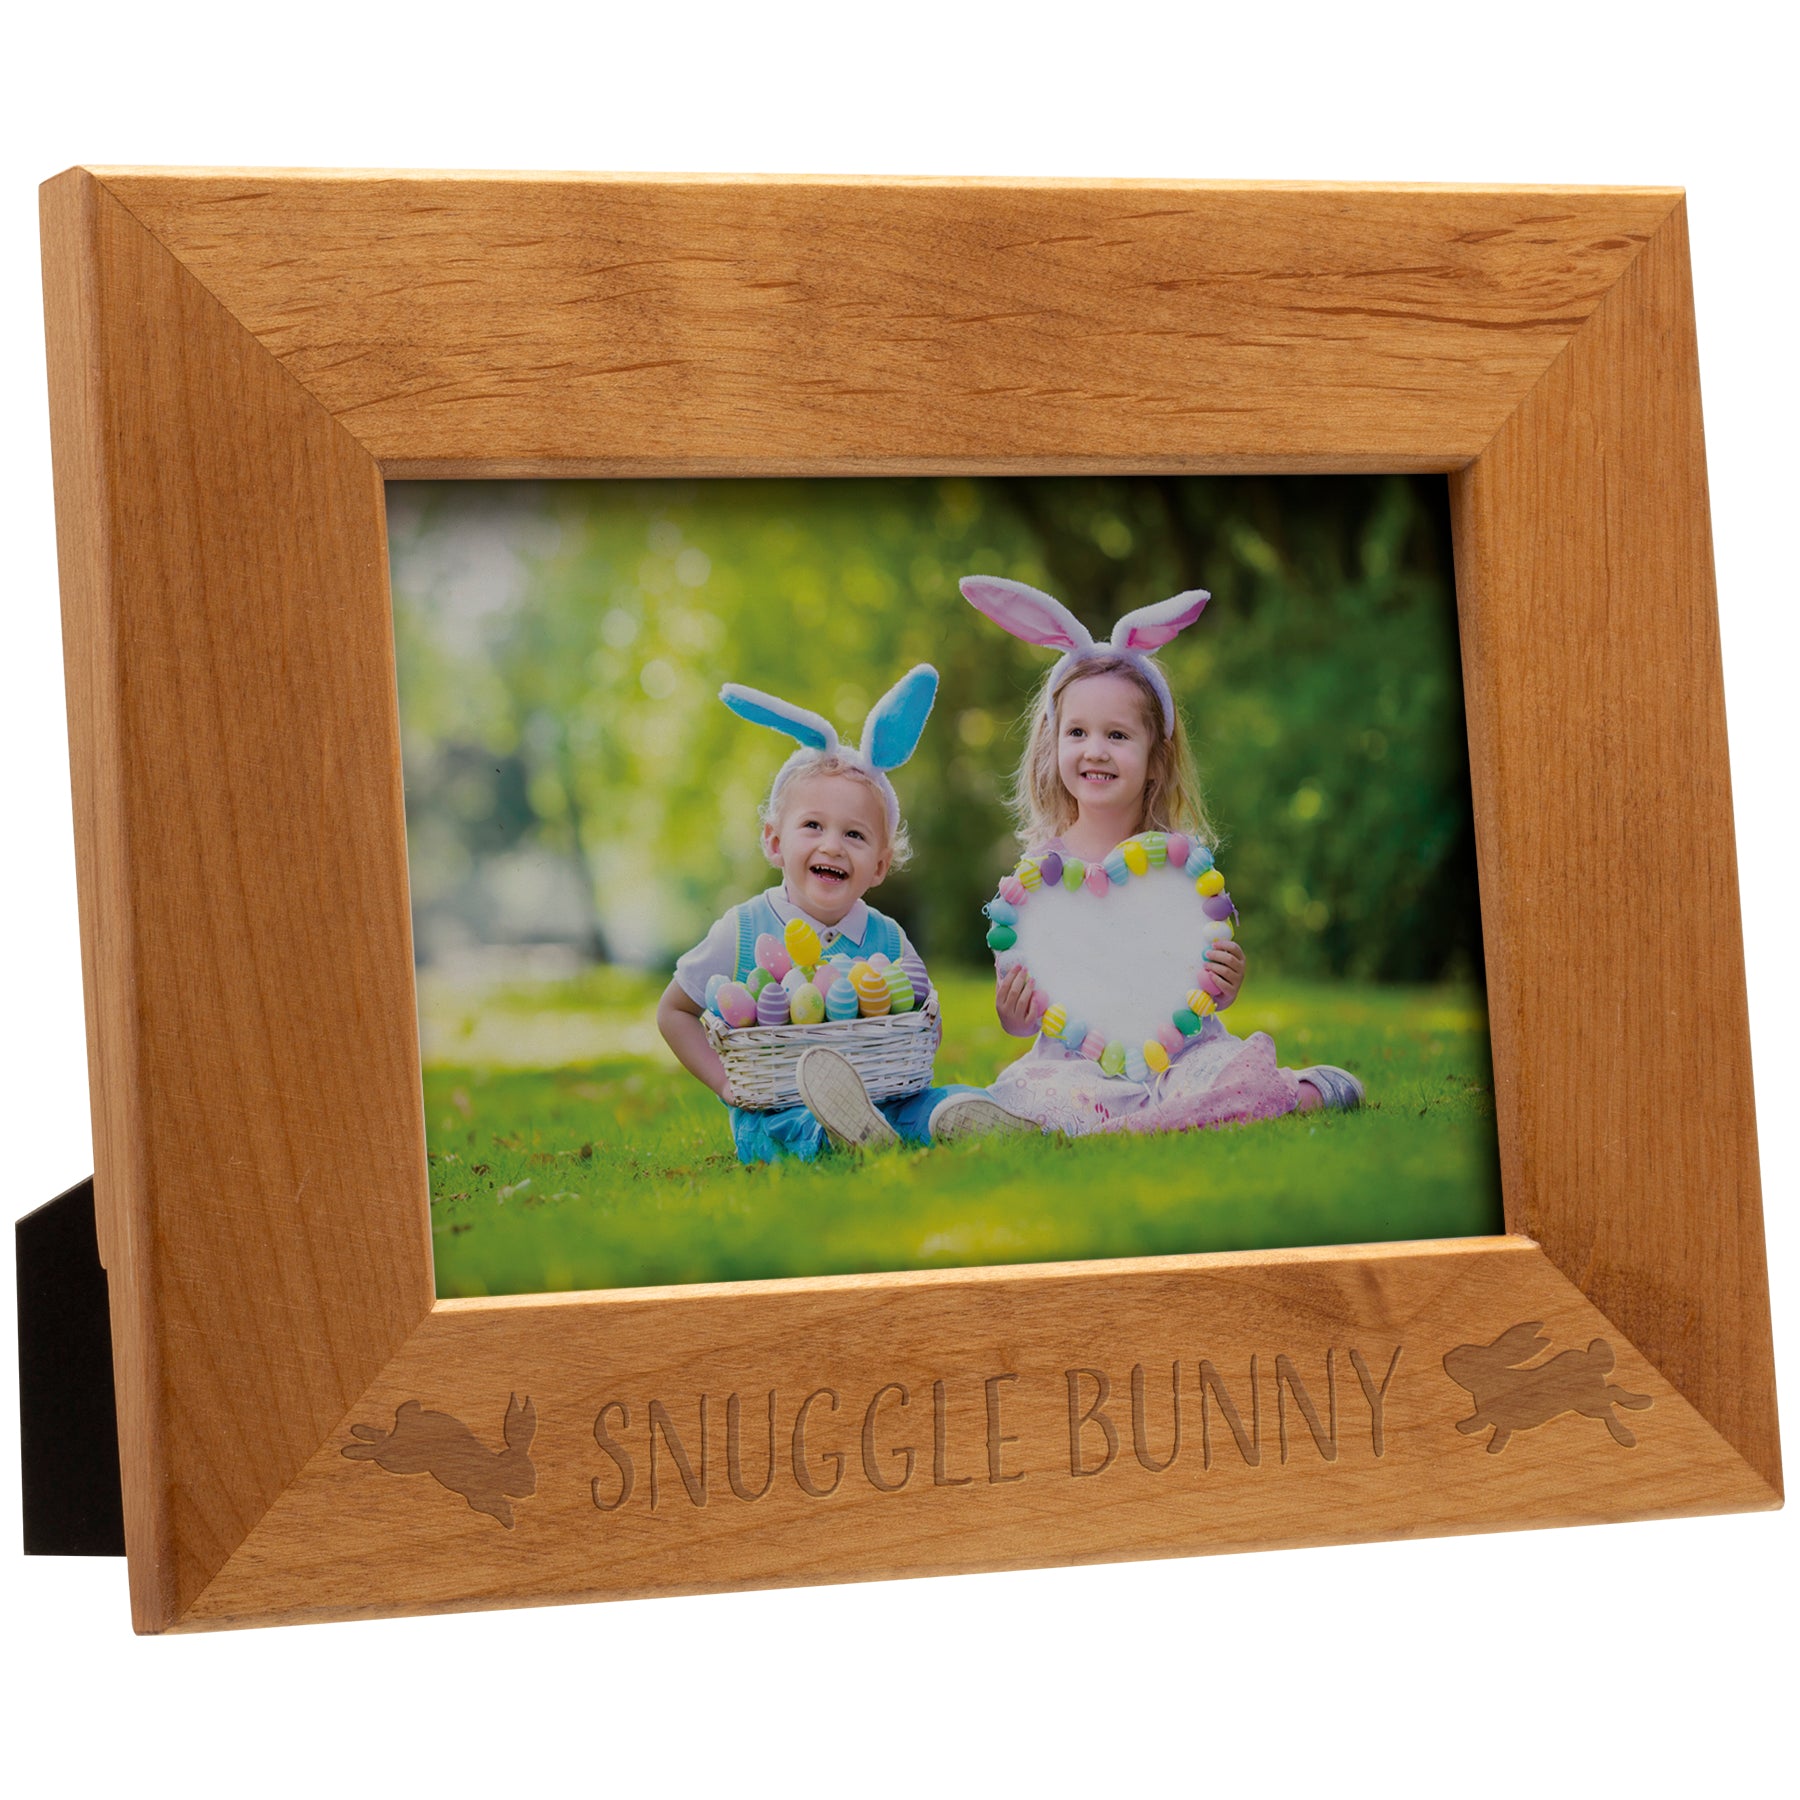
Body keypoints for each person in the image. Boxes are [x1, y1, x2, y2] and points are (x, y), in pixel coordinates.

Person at [959, 574, 1364, 1137]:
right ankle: (1160, 1119)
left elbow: (1201, 982)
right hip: (1079, 1068)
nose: (1094, 750)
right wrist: (1013, 1012)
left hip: (1181, 1058)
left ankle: (1286, 1092)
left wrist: (1227, 981)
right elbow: (1022, 1019)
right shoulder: (1035, 883)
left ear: (1155, 758)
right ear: (1053, 747)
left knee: (1223, 1073)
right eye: (1077, 732)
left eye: (1118, 735)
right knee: (1029, 1095)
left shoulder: (1180, 869)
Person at [657, 664, 1031, 1161]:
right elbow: (673, 1011)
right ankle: (834, 1136)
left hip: (885, 1096)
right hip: (779, 1107)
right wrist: (726, 1082)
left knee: (921, 1104)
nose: (832, 846)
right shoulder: (744, 929)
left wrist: (924, 1024)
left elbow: (920, 1012)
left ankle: (958, 1114)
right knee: (785, 1128)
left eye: (854, 835)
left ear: (879, 865)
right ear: (774, 841)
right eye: (812, 825)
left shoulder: (888, 938)